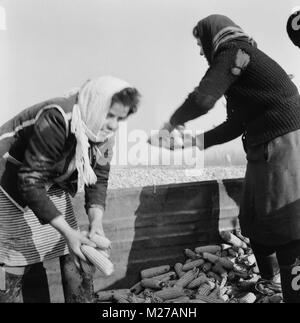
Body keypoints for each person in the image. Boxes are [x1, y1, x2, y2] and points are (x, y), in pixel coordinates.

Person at [154, 14, 300, 303]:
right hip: (264, 149)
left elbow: (202, 99)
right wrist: (193, 143)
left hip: (285, 147)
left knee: (285, 225)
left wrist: (170, 124)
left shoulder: (235, 51)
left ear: (212, 36)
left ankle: (291, 290)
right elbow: (236, 124)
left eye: (200, 43)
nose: (200, 50)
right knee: (254, 220)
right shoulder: (241, 67)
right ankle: (271, 284)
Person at [0, 76, 140, 302]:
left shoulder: (103, 133)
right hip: (10, 176)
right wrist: (69, 233)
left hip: (50, 179)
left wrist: (96, 223)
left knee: (77, 251)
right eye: (110, 115)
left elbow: (99, 179)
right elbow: (30, 180)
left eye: (120, 118)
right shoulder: (57, 117)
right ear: (96, 105)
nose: (114, 124)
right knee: (13, 257)